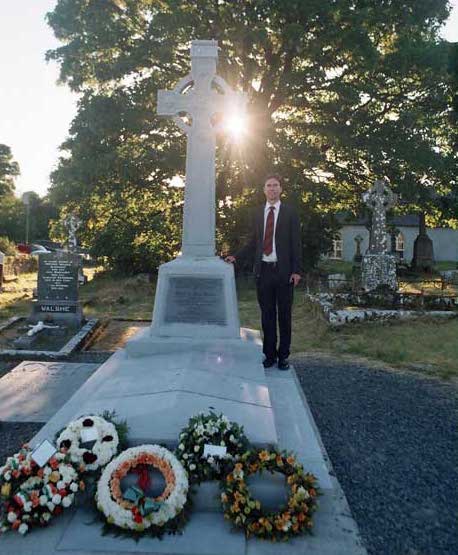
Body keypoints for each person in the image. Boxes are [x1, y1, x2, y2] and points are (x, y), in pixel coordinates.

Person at [225, 174, 302, 370]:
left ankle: (283, 356)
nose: (272, 189)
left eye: (276, 185)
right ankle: (269, 355)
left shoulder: (290, 212)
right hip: (263, 272)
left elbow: (296, 243)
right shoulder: (258, 213)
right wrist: (236, 256)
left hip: (284, 273)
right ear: (264, 190)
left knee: (284, 316)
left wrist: (296, 270)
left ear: (281, 189)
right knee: (267, 316)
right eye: (269, 185)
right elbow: (253, 241)